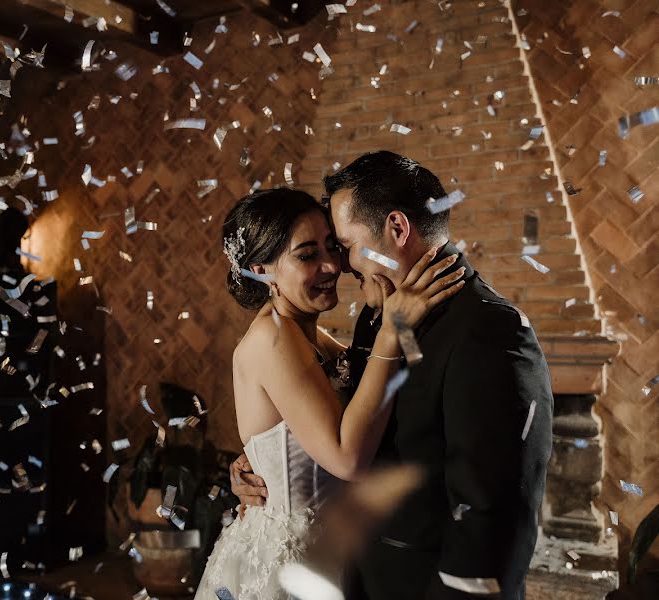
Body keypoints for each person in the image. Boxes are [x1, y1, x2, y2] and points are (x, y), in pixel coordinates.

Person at [230, 151, 553, 599]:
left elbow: (492, 517)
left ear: (397, 228)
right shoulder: (376, 317)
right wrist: (259, 460)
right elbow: (342, 424)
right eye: (319, 251)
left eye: (340, 245)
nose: (338, 265)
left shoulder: (489, 330)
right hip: (350, 573)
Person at [195, 188, 464, 600]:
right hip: (290, 565)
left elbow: (401, 380)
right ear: (261, 270)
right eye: (307, 254)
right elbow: (347, 458)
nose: (331, 265)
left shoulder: (315, 338)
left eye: (332, 247)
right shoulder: (273, 339)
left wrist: (398, 319)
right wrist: (392, 330)